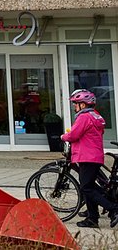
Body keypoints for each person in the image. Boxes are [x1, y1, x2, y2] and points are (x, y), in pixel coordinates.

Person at [62, 89, 118, 228]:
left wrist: (63, 137)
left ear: (83, 104)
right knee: (89, 186)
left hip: (86, 156)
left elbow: (73, 135)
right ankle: (92, 218)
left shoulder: (84, 117)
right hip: (94, 156)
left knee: (86, 187)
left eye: (76, 104)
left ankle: (113, 208)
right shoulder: (95, 116)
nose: (75, 106)